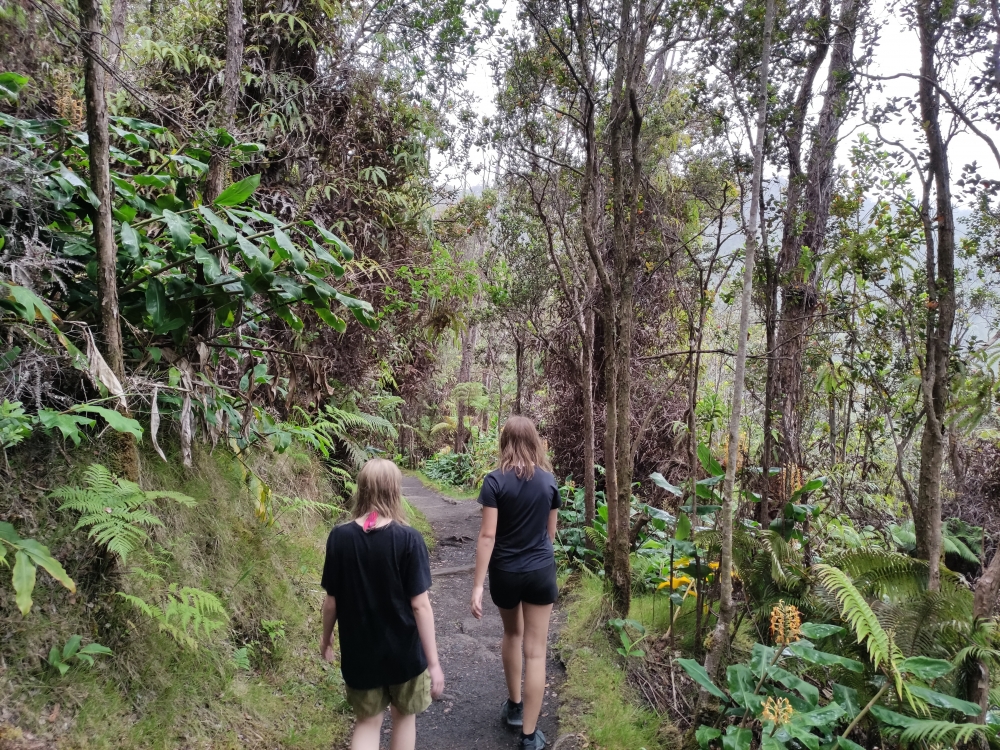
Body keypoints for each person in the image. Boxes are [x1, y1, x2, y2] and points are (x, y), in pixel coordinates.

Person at [320, 458, 445, 750]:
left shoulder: (339, 538)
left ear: (361, 490)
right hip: (405, 655)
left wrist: (326, 641)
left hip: (360, 654)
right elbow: (420, 606)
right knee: (403, 718)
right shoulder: (409, 539)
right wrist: (434, 663)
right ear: (395, 491)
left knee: (367, 722)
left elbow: (331, 603)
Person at [470, 416, 560, 750]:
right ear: (534, 441)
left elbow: (488, 535)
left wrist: (478, 585)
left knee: (512, 633)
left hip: (505, 572)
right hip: (539, 570)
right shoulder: (549, 482)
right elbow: (550, 535)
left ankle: (514, 706)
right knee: (536, 652)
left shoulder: (493, 482)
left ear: (505, 441)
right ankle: (529, 736)